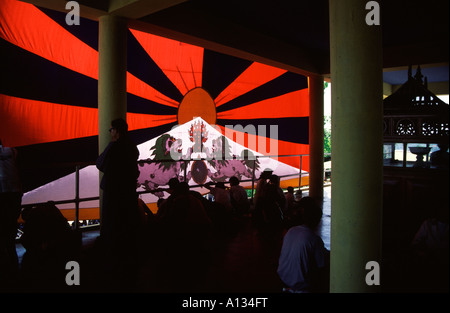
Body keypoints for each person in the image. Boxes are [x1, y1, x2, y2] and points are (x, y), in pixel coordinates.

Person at [96, 118, 140, 289]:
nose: (110, 133)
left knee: (112, 224)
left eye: (111, 130)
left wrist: (110, 145)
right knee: (125, 224)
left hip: (114, 192)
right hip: (127, 192)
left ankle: (113, 261)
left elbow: (100, 163)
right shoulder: (132, 147)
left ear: (116, 131)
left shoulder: (115, 147)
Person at [277, 197, 329, 293]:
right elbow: (321, 265)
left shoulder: (291, 231)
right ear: (317, 221)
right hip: (300, 287)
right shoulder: (314, 239)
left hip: (283, 280)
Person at [0, 139, 23, 289]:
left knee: (4, 232)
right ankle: (13, 268)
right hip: (14, 191)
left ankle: (7, 270)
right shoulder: (12, 149)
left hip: (4, 192)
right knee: (10, 229)